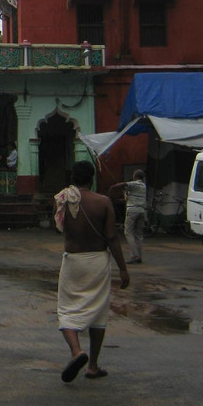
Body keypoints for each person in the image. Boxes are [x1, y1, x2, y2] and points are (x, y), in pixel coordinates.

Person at [54, 160, 130, 383]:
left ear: (73, 177)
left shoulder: (63, 200)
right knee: (98, 312)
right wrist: (123, 269)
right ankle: (93, 366)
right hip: (97, 261)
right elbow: (112, 237)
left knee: (67, 309)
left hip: (73, 260)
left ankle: (77, 351)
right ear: (91, 178)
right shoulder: (103, 202)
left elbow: (60, 228)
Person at [110, 169, 148, 264]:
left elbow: (123, 184)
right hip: (141, 211)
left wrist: (113, 187)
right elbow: (127, 197)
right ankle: (138, 255)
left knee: (128, 232)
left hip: (132, 211)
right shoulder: (143, 186)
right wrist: (125, 192)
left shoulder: (135, 184)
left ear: (135, 176)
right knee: (138, 235)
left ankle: (135, 256)